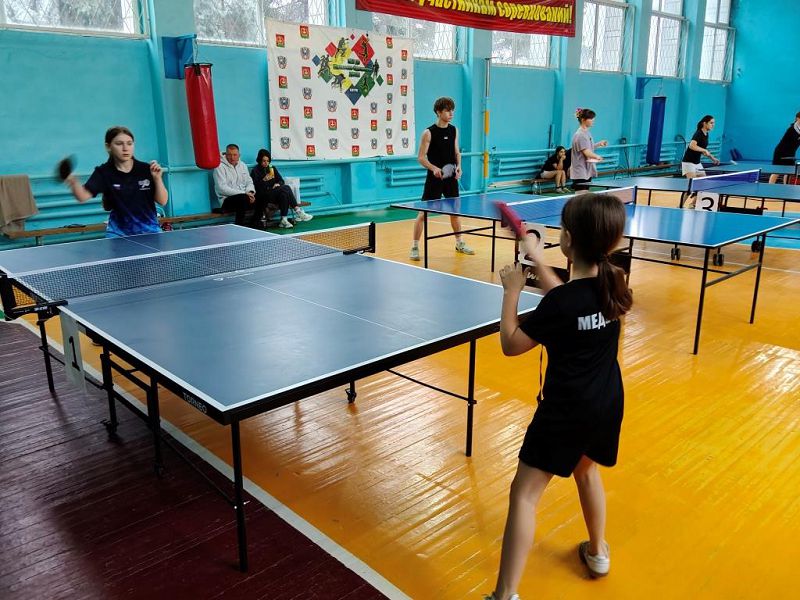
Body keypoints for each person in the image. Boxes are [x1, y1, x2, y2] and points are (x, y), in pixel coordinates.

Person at [485, 193, 633, 600]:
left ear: (567, 239)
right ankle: (598, 553)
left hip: (565, 412)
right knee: (587, 471)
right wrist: (533, 251)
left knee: (524, 494)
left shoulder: (562, 303)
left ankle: (504, 595)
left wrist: (512, 290)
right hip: (606, 403)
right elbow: (566, 297)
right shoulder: (614, 283)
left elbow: (511, 344)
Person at [65, 126, 168, 237]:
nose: (125, 148)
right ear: (108, 146)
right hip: (118, 233)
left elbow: (162, 201)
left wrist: (157, 178)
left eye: (129, 143)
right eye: (119, 144)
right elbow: (83, 196)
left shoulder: (146, 169)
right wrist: (72, 181)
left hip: (150, 231)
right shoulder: (103, 173)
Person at [409, 96, 474, 261]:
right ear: (438, 112)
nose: (451, 113)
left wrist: (459, 167)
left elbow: (457, 152)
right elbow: (421, 157)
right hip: (435, 179)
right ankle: (415, 246)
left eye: (452, 110)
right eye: (447, 110)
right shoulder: (428, 133)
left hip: (451, 178)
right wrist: (434, 168)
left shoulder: (454, 130)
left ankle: (459, 243)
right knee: (423, 214)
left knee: (455, 212)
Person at [250, 149, 312, 228]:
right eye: (264, 161)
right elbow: (256, 187)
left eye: (268, 161)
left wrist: (278, 184)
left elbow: (281, 180)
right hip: (263, 195)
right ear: (259, 160)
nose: (266, 163)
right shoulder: (255, 171)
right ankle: (298, 211)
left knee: (284, 194)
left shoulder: (272, 168)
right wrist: (264, 180)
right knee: (286, 188)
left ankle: (284, 219)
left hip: (274, 193)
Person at [213, 143, 267, 228]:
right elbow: (221, 188)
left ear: (239, 155)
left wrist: (250, 192)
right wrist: (244, 194)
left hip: (245, 197)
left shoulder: (243, 165)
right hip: (226, 201)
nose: (232, 157)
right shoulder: (219, 167)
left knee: (263, 196)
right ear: (225, 154)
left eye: (235, 155)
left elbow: (249, 182)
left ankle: (254, 223)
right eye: (229, 155)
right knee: (243, 198)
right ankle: (239, 226)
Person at [570, 108, 608, 192]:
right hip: (580, 170)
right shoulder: (580, 135)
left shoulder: (586, 133)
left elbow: (587, 147)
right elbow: (586, 152)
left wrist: (599, 144)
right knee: (581, 194)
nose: (593, 120)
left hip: (586, 170)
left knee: (585, 193)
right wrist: (597, 156)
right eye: (590, 118)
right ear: (583, 120)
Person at [681, 114, 720, 180]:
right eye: (711, 123)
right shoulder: (699, 133)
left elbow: (703, 150)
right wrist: (704, 150)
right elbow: (691, 146)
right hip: (689, 163)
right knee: (692, 184)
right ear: (705, 123)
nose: (713, 125)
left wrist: (713, 158)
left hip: (697, 163)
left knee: (704, 182)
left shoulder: (706, 134)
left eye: (714, 123)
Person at [769, 111, 800, 184]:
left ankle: (786, 187)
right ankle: (769, 186)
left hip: (791, 154)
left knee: (789, 172)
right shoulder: (792, 129)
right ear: (797, 118)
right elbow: (795, 138)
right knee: (776, 172)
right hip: (781, 152)